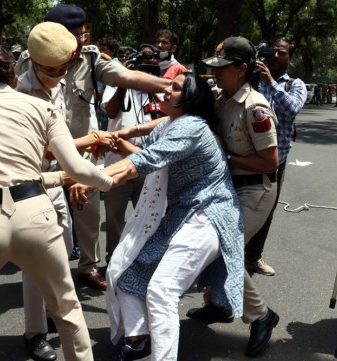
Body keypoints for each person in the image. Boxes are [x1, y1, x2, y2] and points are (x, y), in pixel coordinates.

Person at [0, 49, 118, 361]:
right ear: (14, 77)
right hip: (35, 214)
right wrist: (108, 180)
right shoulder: (41, 108)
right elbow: (78, 171)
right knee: (67, 309)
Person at [86, 72, 244, 361]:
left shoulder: (192, 127)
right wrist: (120, 145)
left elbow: (146, 161)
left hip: (208, 216)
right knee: (127, 275)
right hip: (179, 215)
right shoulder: (170, 125)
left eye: (174, 87)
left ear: (190, 98)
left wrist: (91, 180)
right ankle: (138, 339)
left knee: (161, 290)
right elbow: (149, 156)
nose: (165, 91)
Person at [15, 4, 172, 291]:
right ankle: (47, 274)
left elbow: (125, 76)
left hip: (82, 153)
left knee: (87, 214)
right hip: (44, 156)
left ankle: (88, 267)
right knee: (46, 220)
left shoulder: (89, 57)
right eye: (74, 35)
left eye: (82, 33)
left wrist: (169, 86)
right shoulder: (29, 62)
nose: (80, 40)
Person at [16, 22, 118, 361]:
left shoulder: (57, 82)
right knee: (35, 262)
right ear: (32, 60)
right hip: (31, 186)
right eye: (49, 70)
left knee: (62, 254)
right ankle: (34, 332)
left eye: (62, 70)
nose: (55, 76)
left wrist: (72, 177)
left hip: (57, 182)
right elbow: (43, 149)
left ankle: (49, 315)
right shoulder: (20, 91)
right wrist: (89, 144)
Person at [186, 36, 280, 357]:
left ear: (241, 70)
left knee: (226, 251)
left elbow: (271, 162)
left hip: (255, 188)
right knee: (205, 244)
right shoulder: (222, 97)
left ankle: (261, 316)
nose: (215, 74)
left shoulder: (255, 107)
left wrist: (227, 158)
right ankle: (217, 305)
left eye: (222, 68)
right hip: (228, 187)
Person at [101, 43, 171, 265]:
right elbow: (111, 111)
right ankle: (114, 259)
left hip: (149, 164)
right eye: (143, 65)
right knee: (113, 217)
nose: (147, 68)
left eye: (152, 64)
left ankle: (144, 260)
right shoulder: (118, 82)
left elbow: (168, 117)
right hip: (118, 162)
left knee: (150, 216)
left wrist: (153, 90)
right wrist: (125, 80)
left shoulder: (161, 89)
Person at [245, 37, 307, 276]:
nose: (276, 57)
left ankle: (253, 258)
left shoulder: (295, 85)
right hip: (244, 158)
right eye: (272, 52)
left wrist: (270, 81)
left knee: (266, 212)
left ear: (290, 58)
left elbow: (291, 109)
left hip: (274, 161)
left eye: (282, 53)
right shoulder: (250, 79)